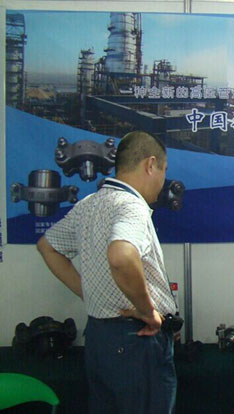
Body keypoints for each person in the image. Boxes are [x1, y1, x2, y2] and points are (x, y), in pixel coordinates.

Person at [37, 131, 178, 414]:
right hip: (137, 340)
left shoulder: (89, 204)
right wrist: (148, 311)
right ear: (151, 164)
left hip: (100, 339)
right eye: (163, 170)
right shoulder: (132, 206)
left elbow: (47, 247)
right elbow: (122, 256)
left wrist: (87, 292)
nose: (163, 180)